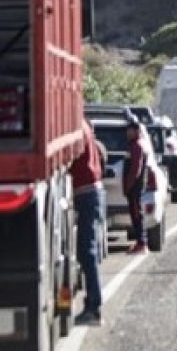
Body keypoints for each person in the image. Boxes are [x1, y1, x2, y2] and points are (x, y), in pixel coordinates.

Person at [71, 118, 106, 325]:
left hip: (86, 194)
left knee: (87, 250)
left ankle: (94, 307)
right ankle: (92, 305)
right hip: (90, 193)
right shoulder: (84, 126)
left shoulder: (78, 129)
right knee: (86, 250)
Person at [123, 112, 151, 255]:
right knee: (135, 214)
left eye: (130, 129)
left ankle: (142, 243)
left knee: (136, 214)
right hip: (134, 187)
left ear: (136, 131)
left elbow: (136, 168)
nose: (127, 132)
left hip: (135, 187)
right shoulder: (134, 145)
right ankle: (140, 242)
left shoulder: (137, 146)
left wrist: (128, 185)